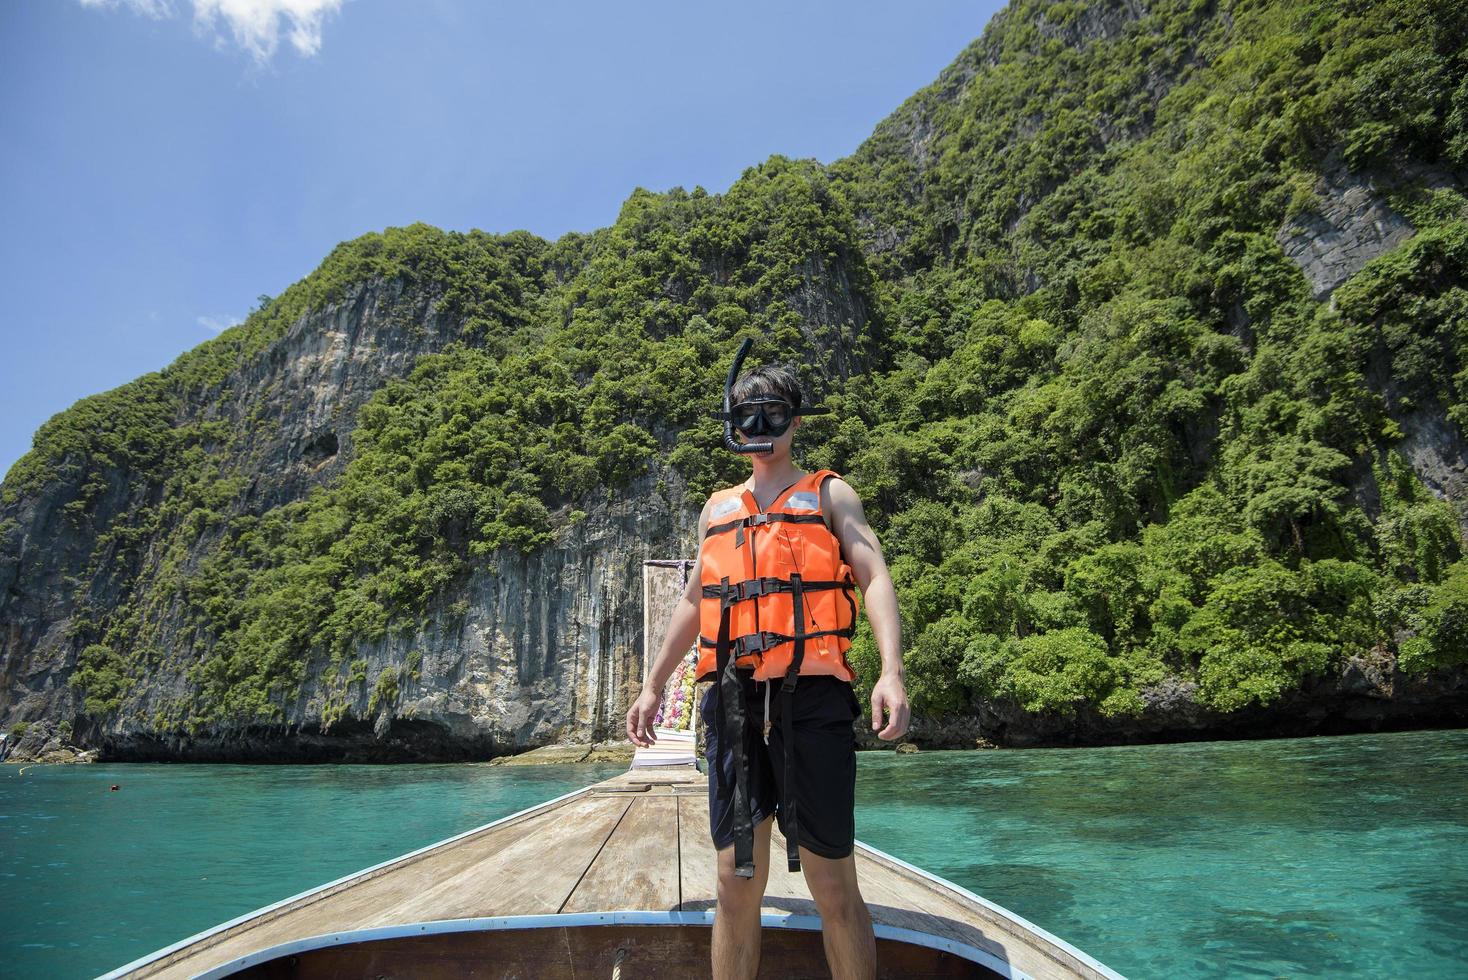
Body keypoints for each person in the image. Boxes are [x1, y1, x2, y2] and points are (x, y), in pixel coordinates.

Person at [627, 358, 910, 980]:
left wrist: (891, 671)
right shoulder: (716, 509)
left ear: (794, 422)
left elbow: (874, 575)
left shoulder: (831, 494)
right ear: (732, 425)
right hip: (732, 706)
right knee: (733, 882)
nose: (760, 427)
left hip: (812, 700)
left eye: (773, 416)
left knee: (831, 882)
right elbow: (694, 601)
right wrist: (653, 684)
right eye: (746, 416)